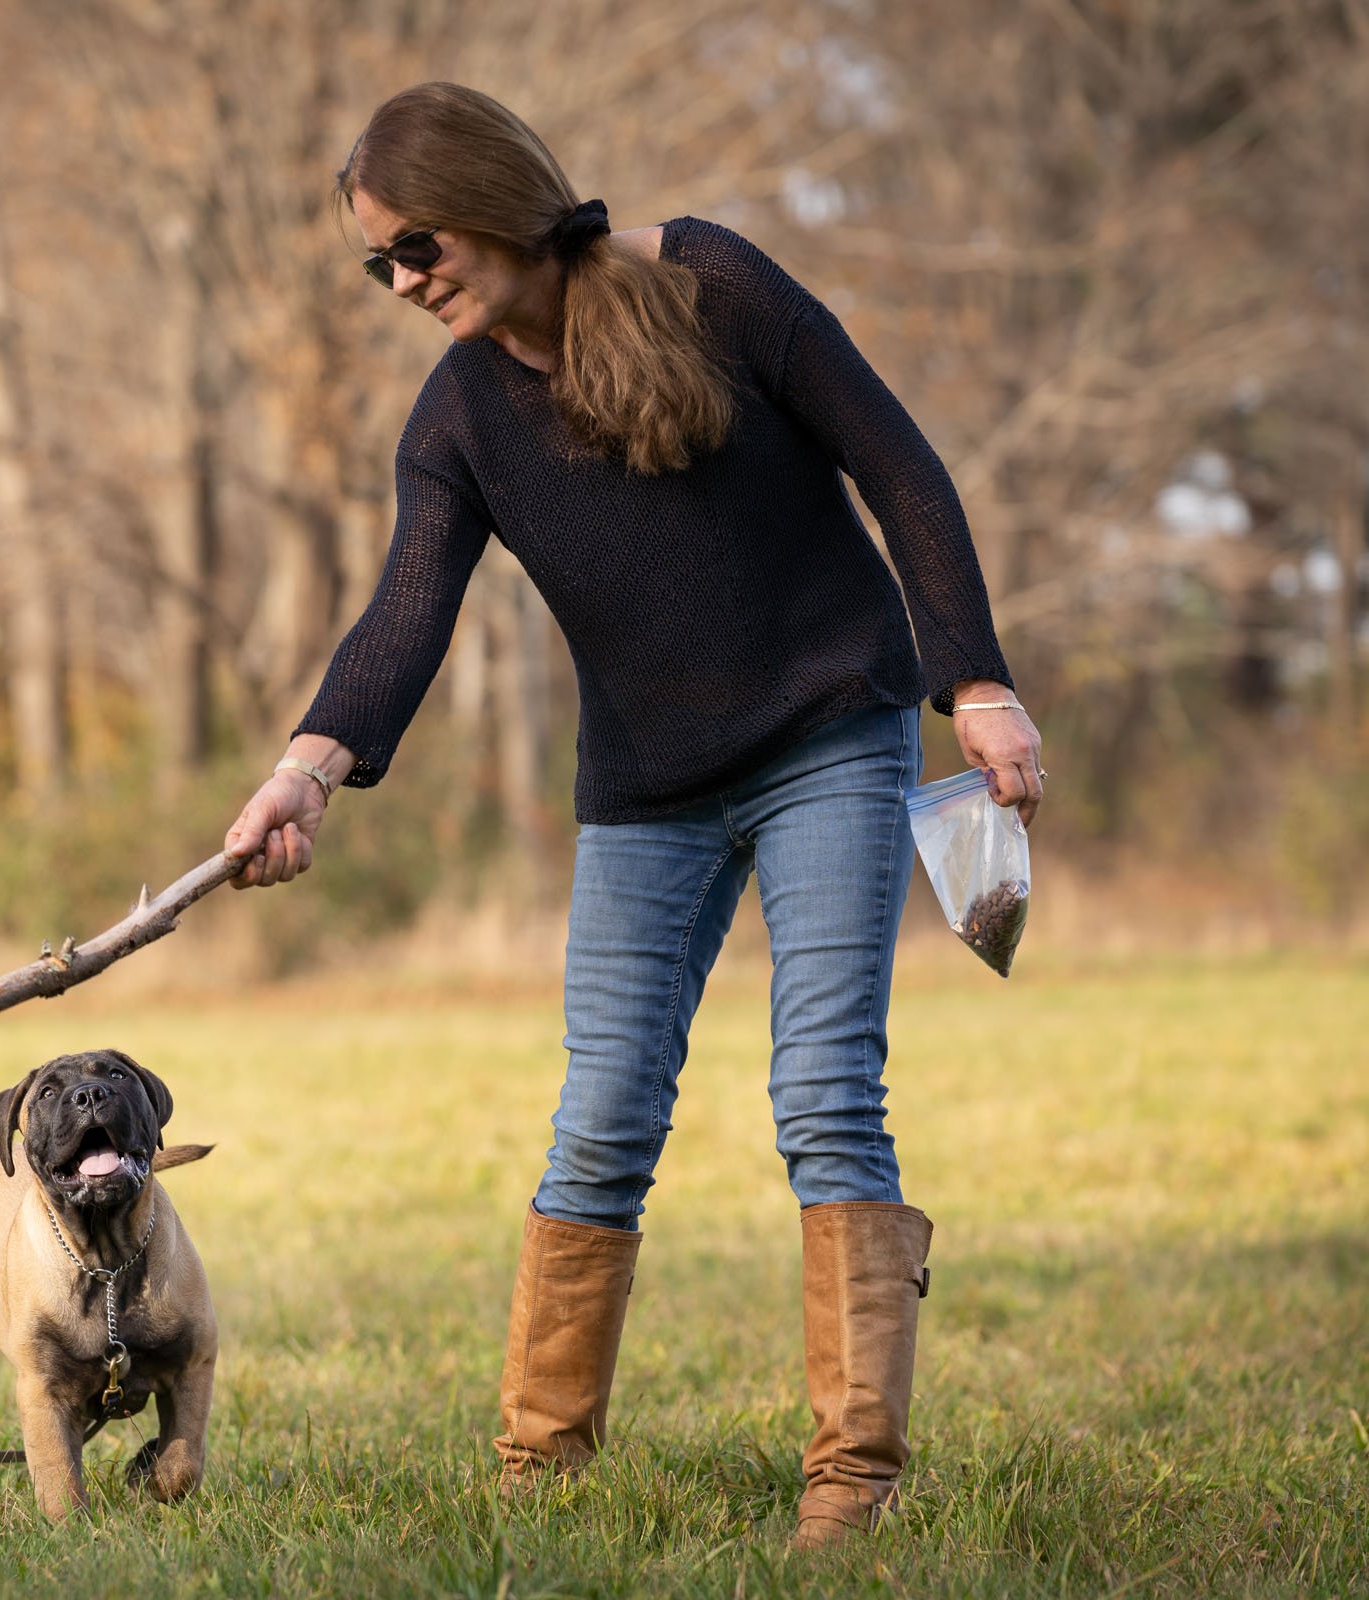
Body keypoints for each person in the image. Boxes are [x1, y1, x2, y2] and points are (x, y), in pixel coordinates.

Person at [222, 82, 1043, 1550]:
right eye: (377, 266)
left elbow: (899, 466)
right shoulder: (459, 412)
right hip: (647, 789)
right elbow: (408, 608)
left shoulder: (711, 284)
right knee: (600, 1120)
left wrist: (973, 681)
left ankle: (851, 1485)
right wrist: (307, 766)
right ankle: (540, 1478)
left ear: (492, 203)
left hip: (828, 732)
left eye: (415, 248)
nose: (403, 284)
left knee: (825, 1095)